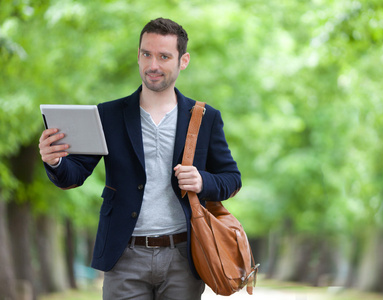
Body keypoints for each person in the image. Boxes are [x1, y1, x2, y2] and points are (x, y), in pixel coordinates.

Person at [38, 17, 241, 300]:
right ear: (138, 56)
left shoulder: (205, 118)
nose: (153, 65)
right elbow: (74, 175)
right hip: (124, 256)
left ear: (183, 61)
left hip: (185, 257)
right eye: (146, 54)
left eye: (164, 56)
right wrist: (55, 161)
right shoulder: (108, 115)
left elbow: (232, 179)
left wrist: (201, 180)